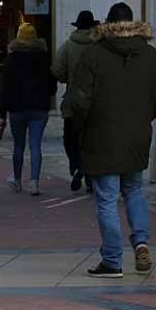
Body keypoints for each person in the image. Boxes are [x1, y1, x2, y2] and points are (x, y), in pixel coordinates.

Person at [67, 3, 156, 278]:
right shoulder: (151, 56)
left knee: (107, 198)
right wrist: (143, 117)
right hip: (137, 135)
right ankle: (142, 242)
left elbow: (79, 101)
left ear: (108, 24)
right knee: (134, 189)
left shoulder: (93, 55)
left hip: (101, 135)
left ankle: (112, 260)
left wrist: (82, 126)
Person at [2, 23, 56, 196]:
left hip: (17, 107)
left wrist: (3, 108)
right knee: (35, 145)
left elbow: (4, 85)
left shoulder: (11, 59)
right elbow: (52, 85)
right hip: (39, 107)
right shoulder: (43, 58)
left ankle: (17, 180)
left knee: (18, 145)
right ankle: (34, 182)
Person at [54, 11, 99, 191]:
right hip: (96, 100)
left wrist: (67, 78)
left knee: (70, 138)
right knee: (93, 140)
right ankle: (88, 171)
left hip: (74, 100)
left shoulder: (68, 46)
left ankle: (77, 166)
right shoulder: (99, 46)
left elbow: (57, 69)